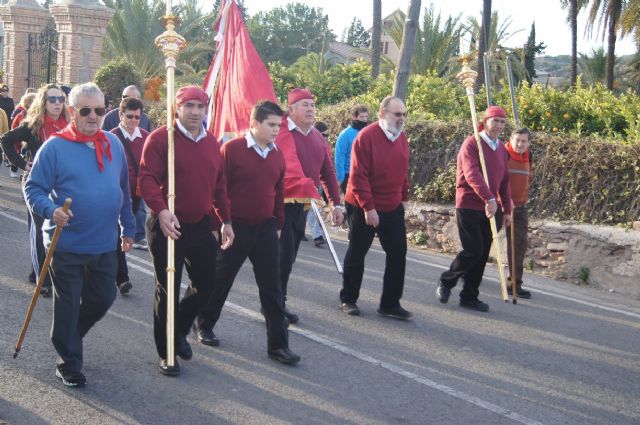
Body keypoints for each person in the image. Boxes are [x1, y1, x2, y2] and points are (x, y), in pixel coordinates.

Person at [24, 82, 135, 387]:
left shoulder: (113, 145)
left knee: (103, 297)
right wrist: (51, 210)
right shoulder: (55, 147)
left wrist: (129, 227)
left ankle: (69, 335)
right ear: (73, 112)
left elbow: (123, 190)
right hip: (66, 243)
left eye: (99, 110)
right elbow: (33, 188)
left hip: (103, 242)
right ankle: (69, 360)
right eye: (86, 110)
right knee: (69, 303)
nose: (93, 116)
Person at [193, 100, 300, 365]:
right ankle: (204, 324)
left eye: (279, 125)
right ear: (255, 123)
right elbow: (217, 188)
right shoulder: (232, 149)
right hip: (234, 226)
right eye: (271, 124)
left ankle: (279, 346)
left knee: (272, 288)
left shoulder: (276, 154)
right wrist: (219, 223)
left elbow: (278, 192)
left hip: (265, 228)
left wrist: (277, 224)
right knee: (220, 280)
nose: (277, 130)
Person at [139, 85, 234, 377]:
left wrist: (226, 221)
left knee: (207, 284)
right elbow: (146, 178)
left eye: (200, 106)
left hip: (200, 225)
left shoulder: (211, 143)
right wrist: (162, 209)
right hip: (168, 224)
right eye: (189, 106)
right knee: (167, 289)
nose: (195, 112)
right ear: (177, 108)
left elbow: (219, 186)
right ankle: (167, 351)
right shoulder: (160, 138)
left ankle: (179, 330)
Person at [339, 96, 411, 319]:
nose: (401, 119)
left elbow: (403, 171)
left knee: (398, 252)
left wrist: (404, 197)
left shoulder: (402, 139)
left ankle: (390, 303)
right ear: (382, 113)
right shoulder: (366, 137)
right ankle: (348, 299)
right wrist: (368, 208)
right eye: (397, 114)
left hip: (391, 205)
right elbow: (358, 176)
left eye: (404, 115)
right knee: (357, 252)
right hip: (362, 205)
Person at [435, 106, 513, 312]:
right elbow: (471, 174)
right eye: (495, 121)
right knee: (473, 250)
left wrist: (507, 209)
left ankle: (469, 295)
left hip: (492, 207)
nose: (498, 125)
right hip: (469, 204)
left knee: (483, 253)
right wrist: (488, 197)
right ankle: (447, 281)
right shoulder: (472, 144)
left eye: (502, 122)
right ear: (485, 121)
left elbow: (505, 182)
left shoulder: (502, 150)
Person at [279, 88, 343, 324]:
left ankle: (278, 303)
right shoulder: (280, 132)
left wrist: (336, 204)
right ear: (292, 109)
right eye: (304, 105)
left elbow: (327, 172)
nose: (310, 109)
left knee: (288, 258)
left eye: (313, 105)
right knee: (280, 257)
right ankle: (274, 306)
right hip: (277, 205)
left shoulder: (317, 137)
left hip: (302, 207)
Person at [1, 84, 69, 296]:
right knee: (39, 229)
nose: (57, 103)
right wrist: (22, 163)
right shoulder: (32, 125)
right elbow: (6, 139)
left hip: (60, 184)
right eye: (52, 100)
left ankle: (39, 271)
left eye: (60, 99)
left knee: (57, 230)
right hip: (36, 183)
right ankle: (43, 279)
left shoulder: (69, 125)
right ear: (43, 102)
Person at [109, 97, 149, 295]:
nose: (134, 121)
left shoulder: (146, 137)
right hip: (114, 195)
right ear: (121, 115)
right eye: (130, 117)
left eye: (137, 117)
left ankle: (114, 272)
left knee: (124, 233)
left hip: (136, 196)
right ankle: (122, 277)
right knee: (116, 233)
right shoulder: (110, 137)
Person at [505, 128, 533, 299]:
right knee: (482, 243)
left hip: (520, 208)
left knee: (519, 244)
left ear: (529, 143)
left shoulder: (529, 157)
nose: (520, 144)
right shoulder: (502, 154)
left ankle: (514, 284)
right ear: (511, 139)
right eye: (517, 140)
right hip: (501, 205)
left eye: (524, 141)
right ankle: (469, 273)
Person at [305, 121, 331, 248]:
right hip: (305, 184)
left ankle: (317, 235)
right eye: (323, 135)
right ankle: (312, 233)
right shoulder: (307, 144)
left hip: (318, 183)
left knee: (315, 210)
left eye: (327, 136)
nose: (325, 138)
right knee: (308, 211)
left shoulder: (326, 146)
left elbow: (328, 169)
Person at [334, 104, 369, 194]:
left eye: (366, 117)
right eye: (362, 117)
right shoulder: (345, 134)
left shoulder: (368, 133)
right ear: (354, 117)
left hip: (365, 174)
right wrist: (340, 177)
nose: (364, 119)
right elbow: (339, 156)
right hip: (348, 175)